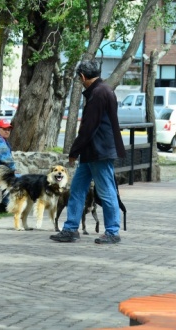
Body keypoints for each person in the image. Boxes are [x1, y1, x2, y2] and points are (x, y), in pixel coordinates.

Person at [50, 60, 126, 244]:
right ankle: (70, 229)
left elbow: (88, 128)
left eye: (80, 78)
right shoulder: (103, 90)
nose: (80, 81)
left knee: (107, 190)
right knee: (77, 189)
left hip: (100, 152)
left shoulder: (99, 94)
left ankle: (112, 231)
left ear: (83, 76)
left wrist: (74, 151)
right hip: (92, 151)